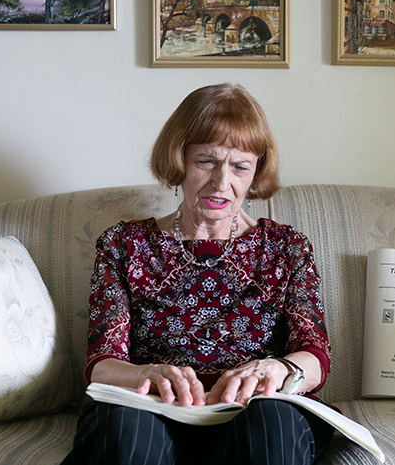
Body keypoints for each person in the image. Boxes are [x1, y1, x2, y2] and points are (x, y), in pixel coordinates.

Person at [62, 83, 334, 465]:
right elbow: (102, 362)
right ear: (179, 160)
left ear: (256, 172)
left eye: (240, 166)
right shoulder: (124, 244)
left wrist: (277, 368)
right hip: (155, 409)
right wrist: (148, 374)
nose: (222, 183)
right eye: (207, 161)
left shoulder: (287, 248)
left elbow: (316, 356)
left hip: (255, 412)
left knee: (273, 426)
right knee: (128, 431)